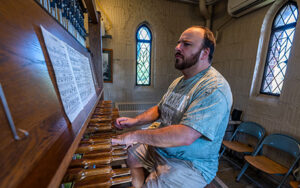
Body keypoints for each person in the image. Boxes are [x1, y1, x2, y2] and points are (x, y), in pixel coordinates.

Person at [112, 26, 232, 188]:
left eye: (186, 44)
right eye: (178, 43)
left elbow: (185, 135)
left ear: (204, 52)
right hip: (162, 149)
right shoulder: (178, 82)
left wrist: (135, 135)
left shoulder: (214, 88)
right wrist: (134, 121)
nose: (177, 47)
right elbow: (160, 109)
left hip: (189, 164)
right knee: (130, 154)